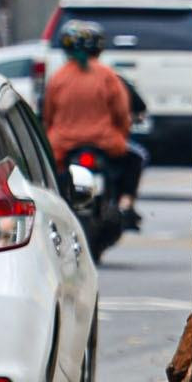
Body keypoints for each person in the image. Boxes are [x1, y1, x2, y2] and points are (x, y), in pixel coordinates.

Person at [44, 19, 142, 228]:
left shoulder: (57, 78)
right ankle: (126, 204)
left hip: (63, 146)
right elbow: (121, 113)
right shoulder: (108, 76)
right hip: (105, 144)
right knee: (136, 158)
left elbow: (48, 116)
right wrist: (121, 135)